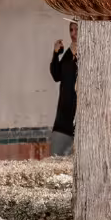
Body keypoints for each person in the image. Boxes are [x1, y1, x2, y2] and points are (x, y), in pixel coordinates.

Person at [48, 21, 77, 156]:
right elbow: (56, 75)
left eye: (77, 29)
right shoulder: (68, 53)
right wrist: (56, 53)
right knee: (56, 158)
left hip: (80, 112)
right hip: (64, 112)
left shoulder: (90, 54)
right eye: (71, 30)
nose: (73, 34)